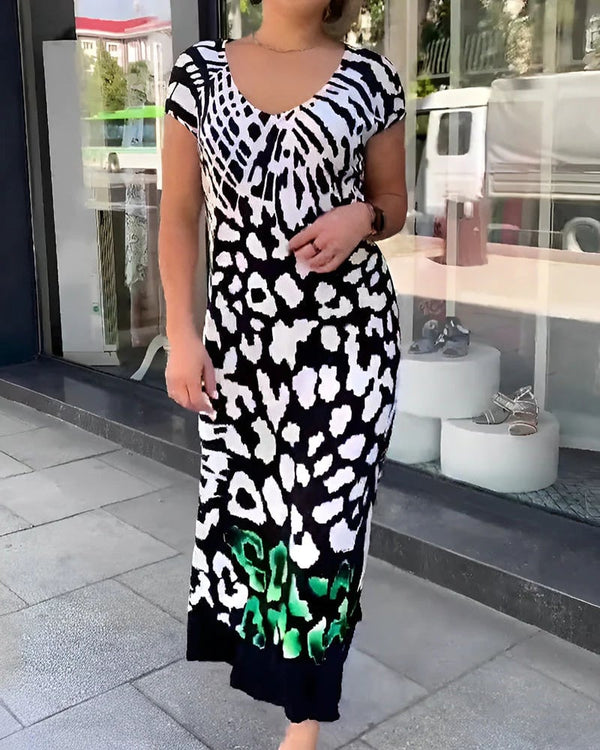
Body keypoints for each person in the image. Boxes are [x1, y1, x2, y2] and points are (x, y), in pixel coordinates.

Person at [159, 0, 407, 747]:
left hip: (350, 345)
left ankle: (304, 720)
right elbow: (178, 215)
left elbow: (394, 202)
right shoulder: (198, 74)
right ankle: (280, 674)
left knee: (326, 529)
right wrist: (181, 334)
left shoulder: (371, 78)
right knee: (258, 519)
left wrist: (362, 218)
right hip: (242, 349)